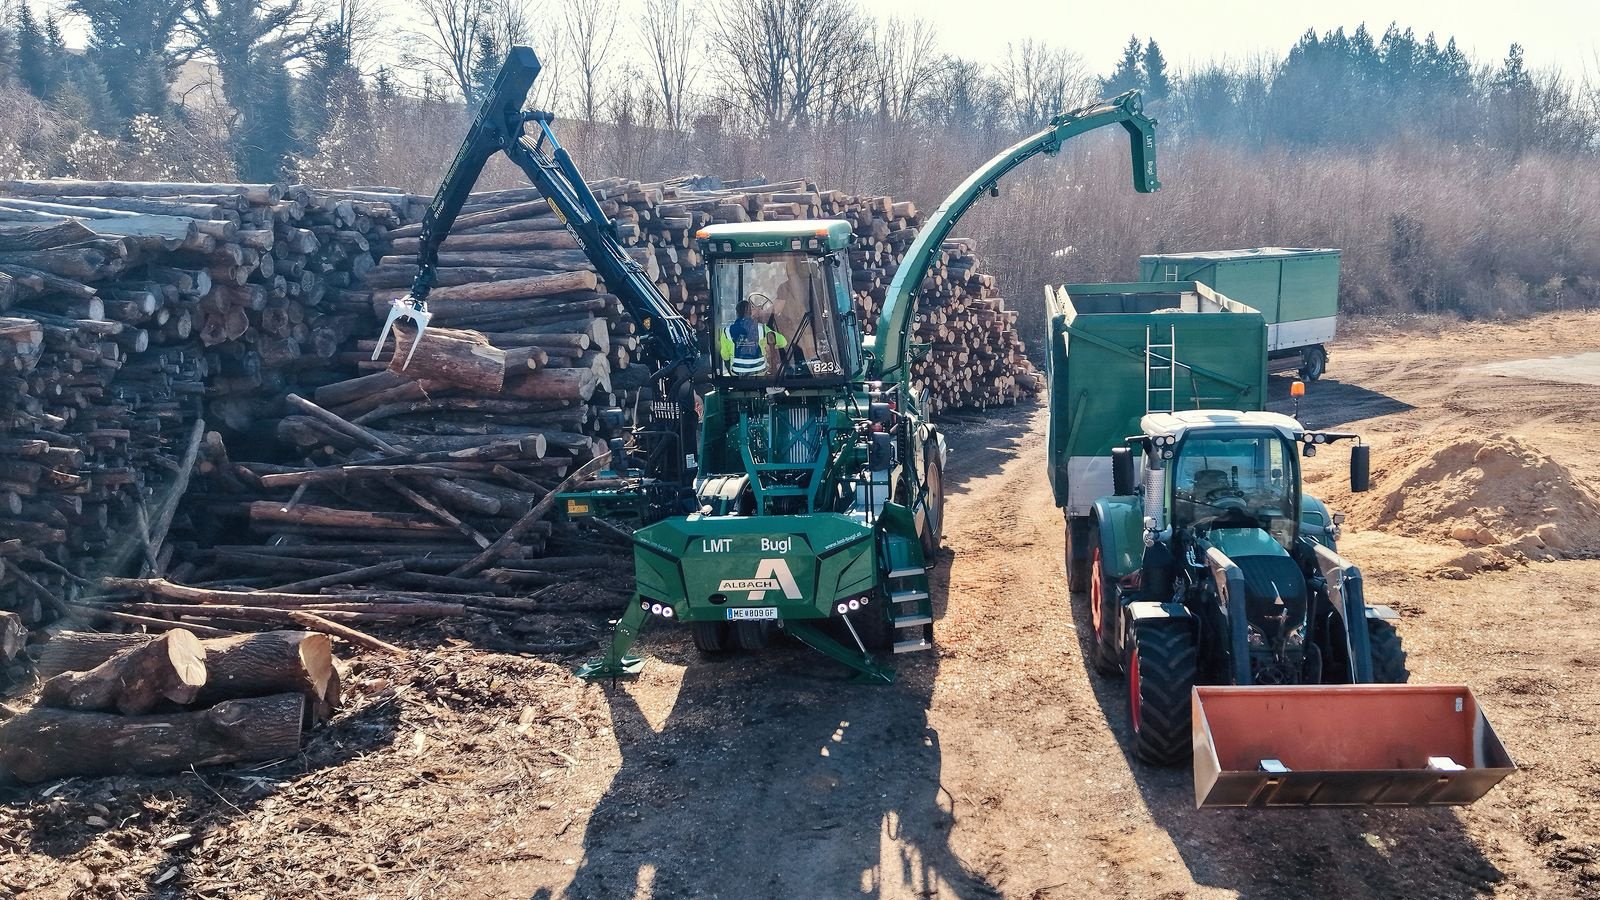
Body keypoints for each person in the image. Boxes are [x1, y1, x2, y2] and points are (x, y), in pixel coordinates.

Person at [719, 298, 787, 376]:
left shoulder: (726, 331)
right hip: (759, 373)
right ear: (750, 313)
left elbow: (725, 356)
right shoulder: (762, 328)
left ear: (737, 313)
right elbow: (783, 342)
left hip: (737, 374)